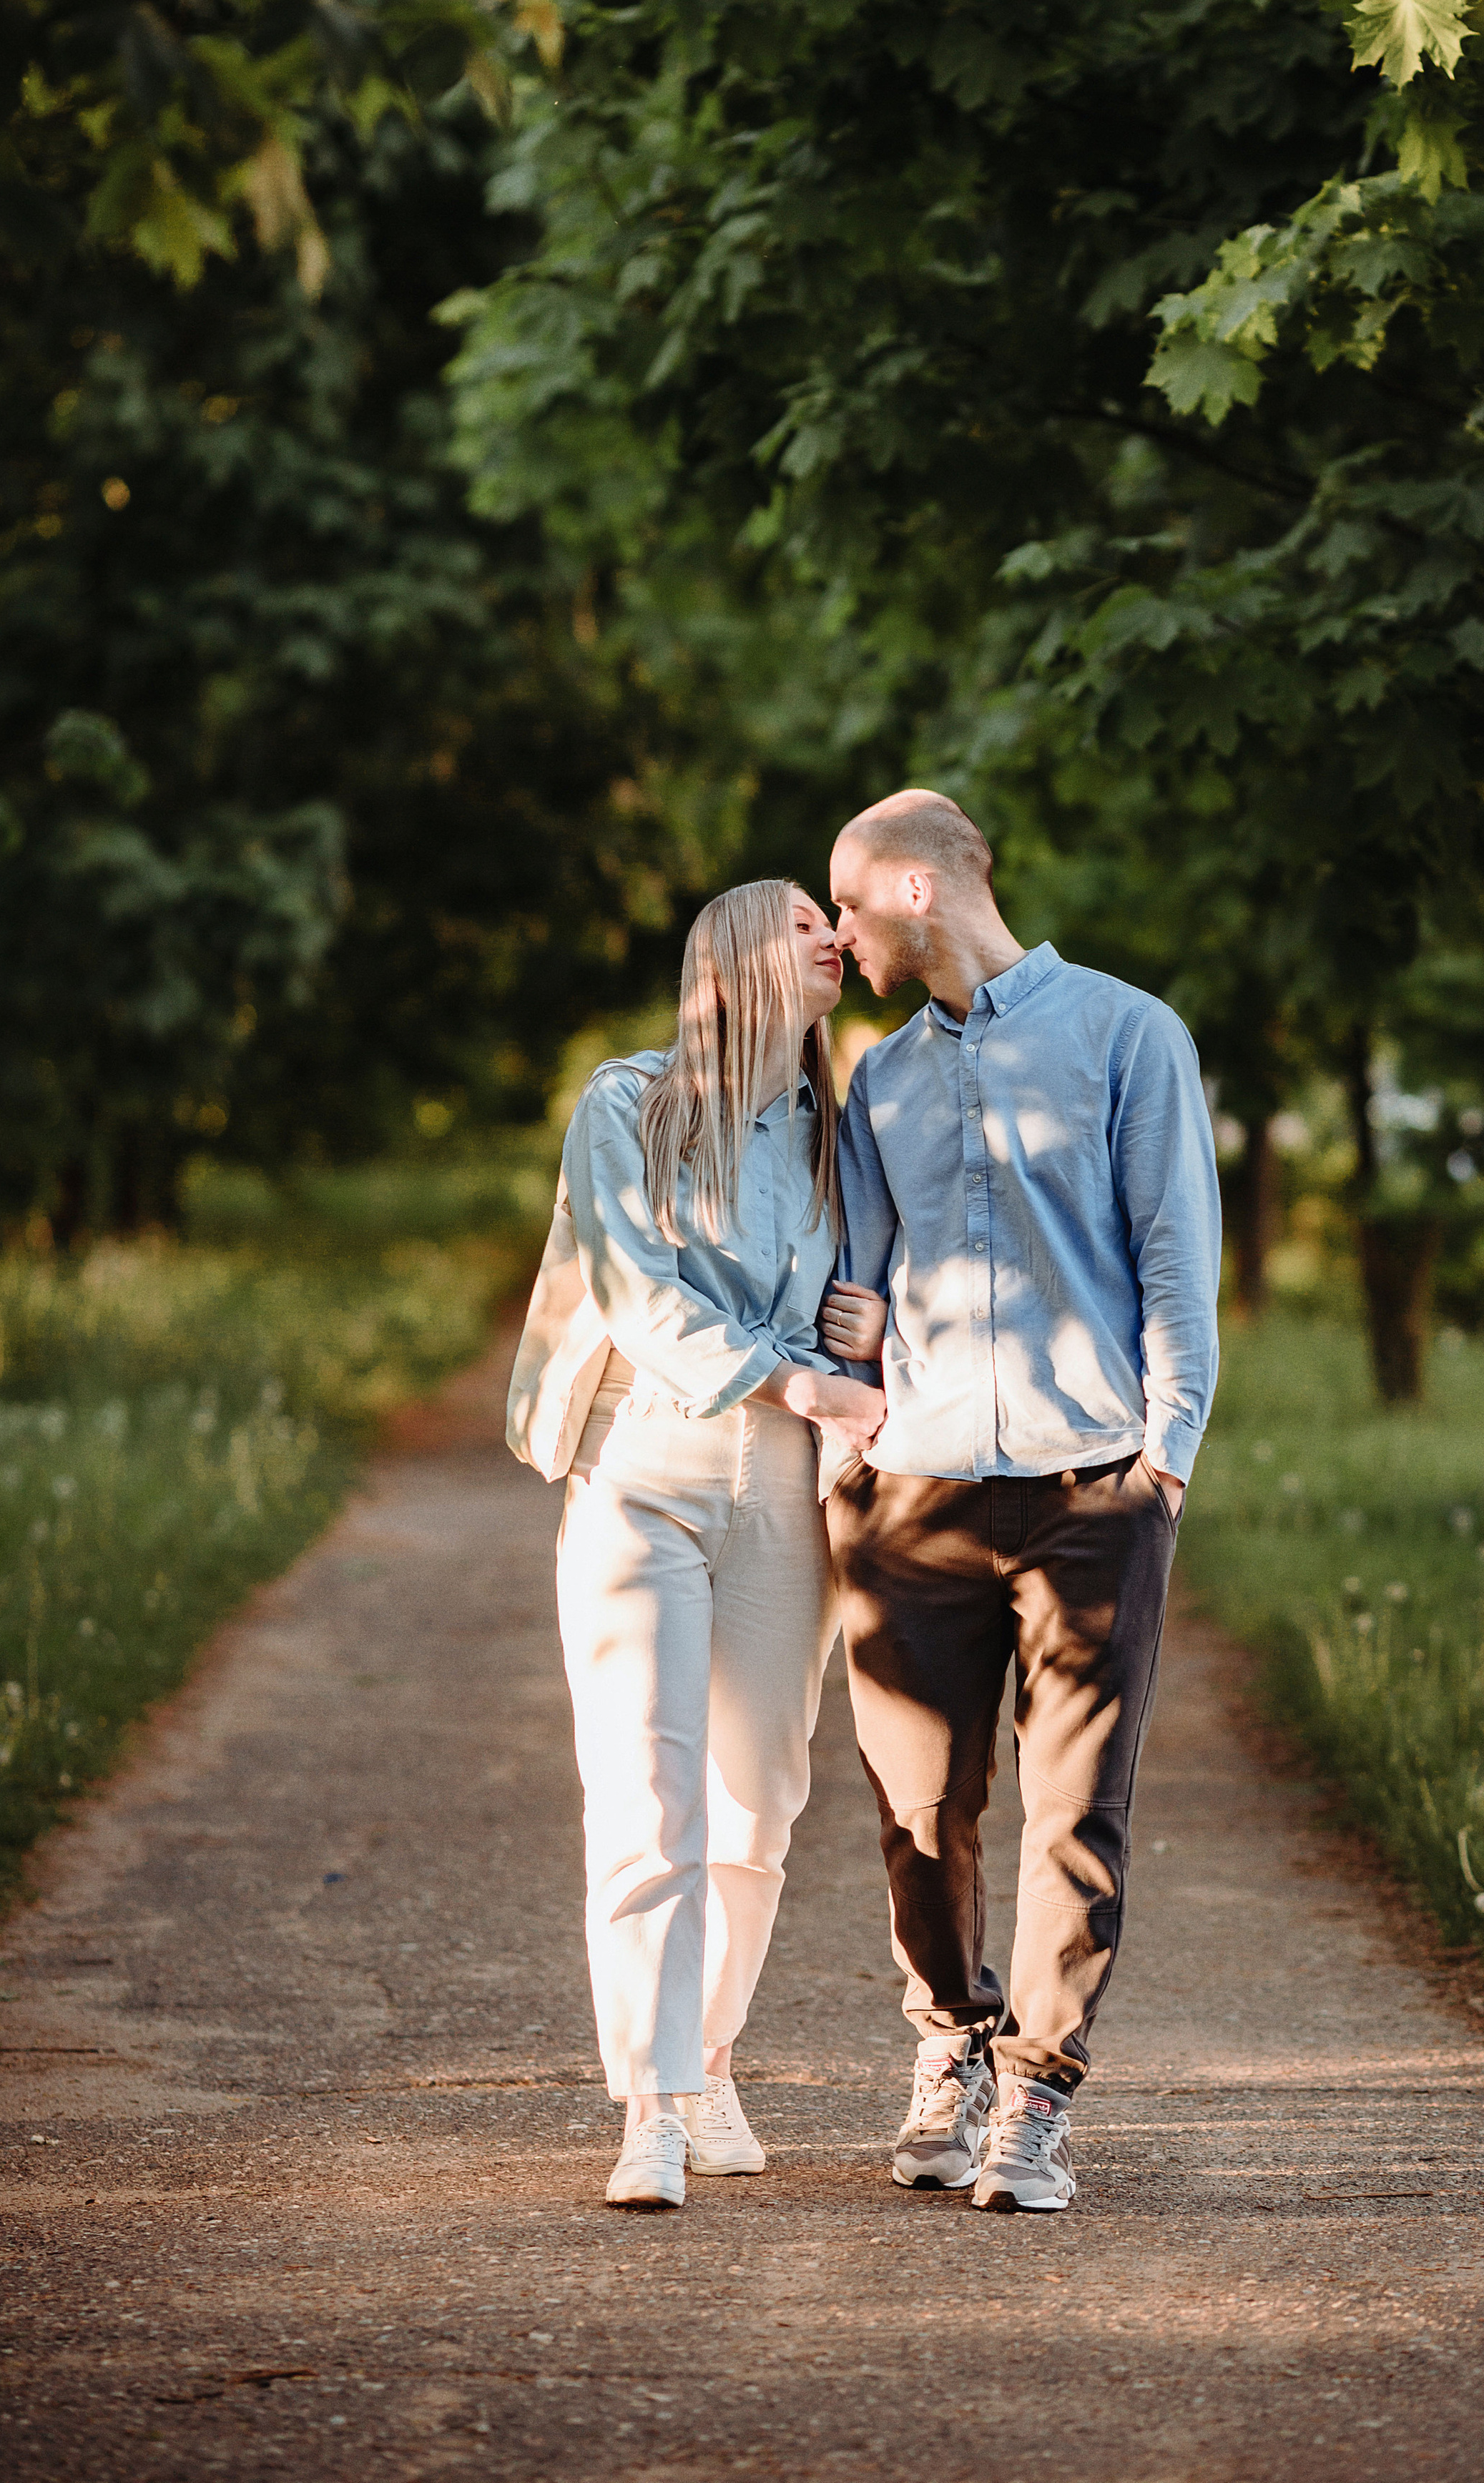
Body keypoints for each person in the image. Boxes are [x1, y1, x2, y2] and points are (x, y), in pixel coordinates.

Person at [818, 790, 1221, 2216]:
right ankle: (950, 2043)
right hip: (913, 1496)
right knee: (918, 1812)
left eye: (851, 906)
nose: (840, 936)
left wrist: (1161, 1454)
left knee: (1073, 1816)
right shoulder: (878, 1078)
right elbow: (857, 1288)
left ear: (918, 892)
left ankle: (1036, 2099)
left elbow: (1175, 1253)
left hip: (1087, 1488)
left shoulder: (1126, 1036)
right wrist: (842, 1455)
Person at [506, 880, 885, 2210]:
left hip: (789, 1491)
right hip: (644, 1469)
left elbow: (892, 1284)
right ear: (730, 957)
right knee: (646, 1797)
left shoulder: (853, 1131)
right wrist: (802, 1377)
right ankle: (651, 2108)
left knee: (757, 1805)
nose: (831, 933)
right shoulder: (631, 1105)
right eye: (798, 918)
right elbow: (634, 1291)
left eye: (834, 918)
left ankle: (709, 2053)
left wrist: (871, 1330)